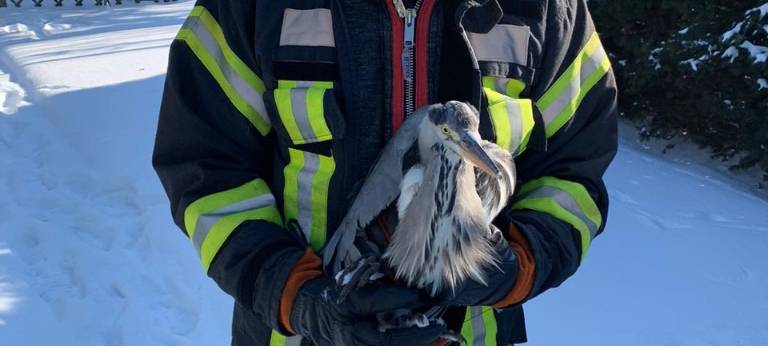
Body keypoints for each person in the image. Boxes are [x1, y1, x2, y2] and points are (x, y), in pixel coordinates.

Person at [152, 0, 618, 344]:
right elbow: (204, 171)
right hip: (301, 333)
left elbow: (574, 171)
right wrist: (296, 293)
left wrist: (521, 264)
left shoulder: (549, 12)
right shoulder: (248, 8)